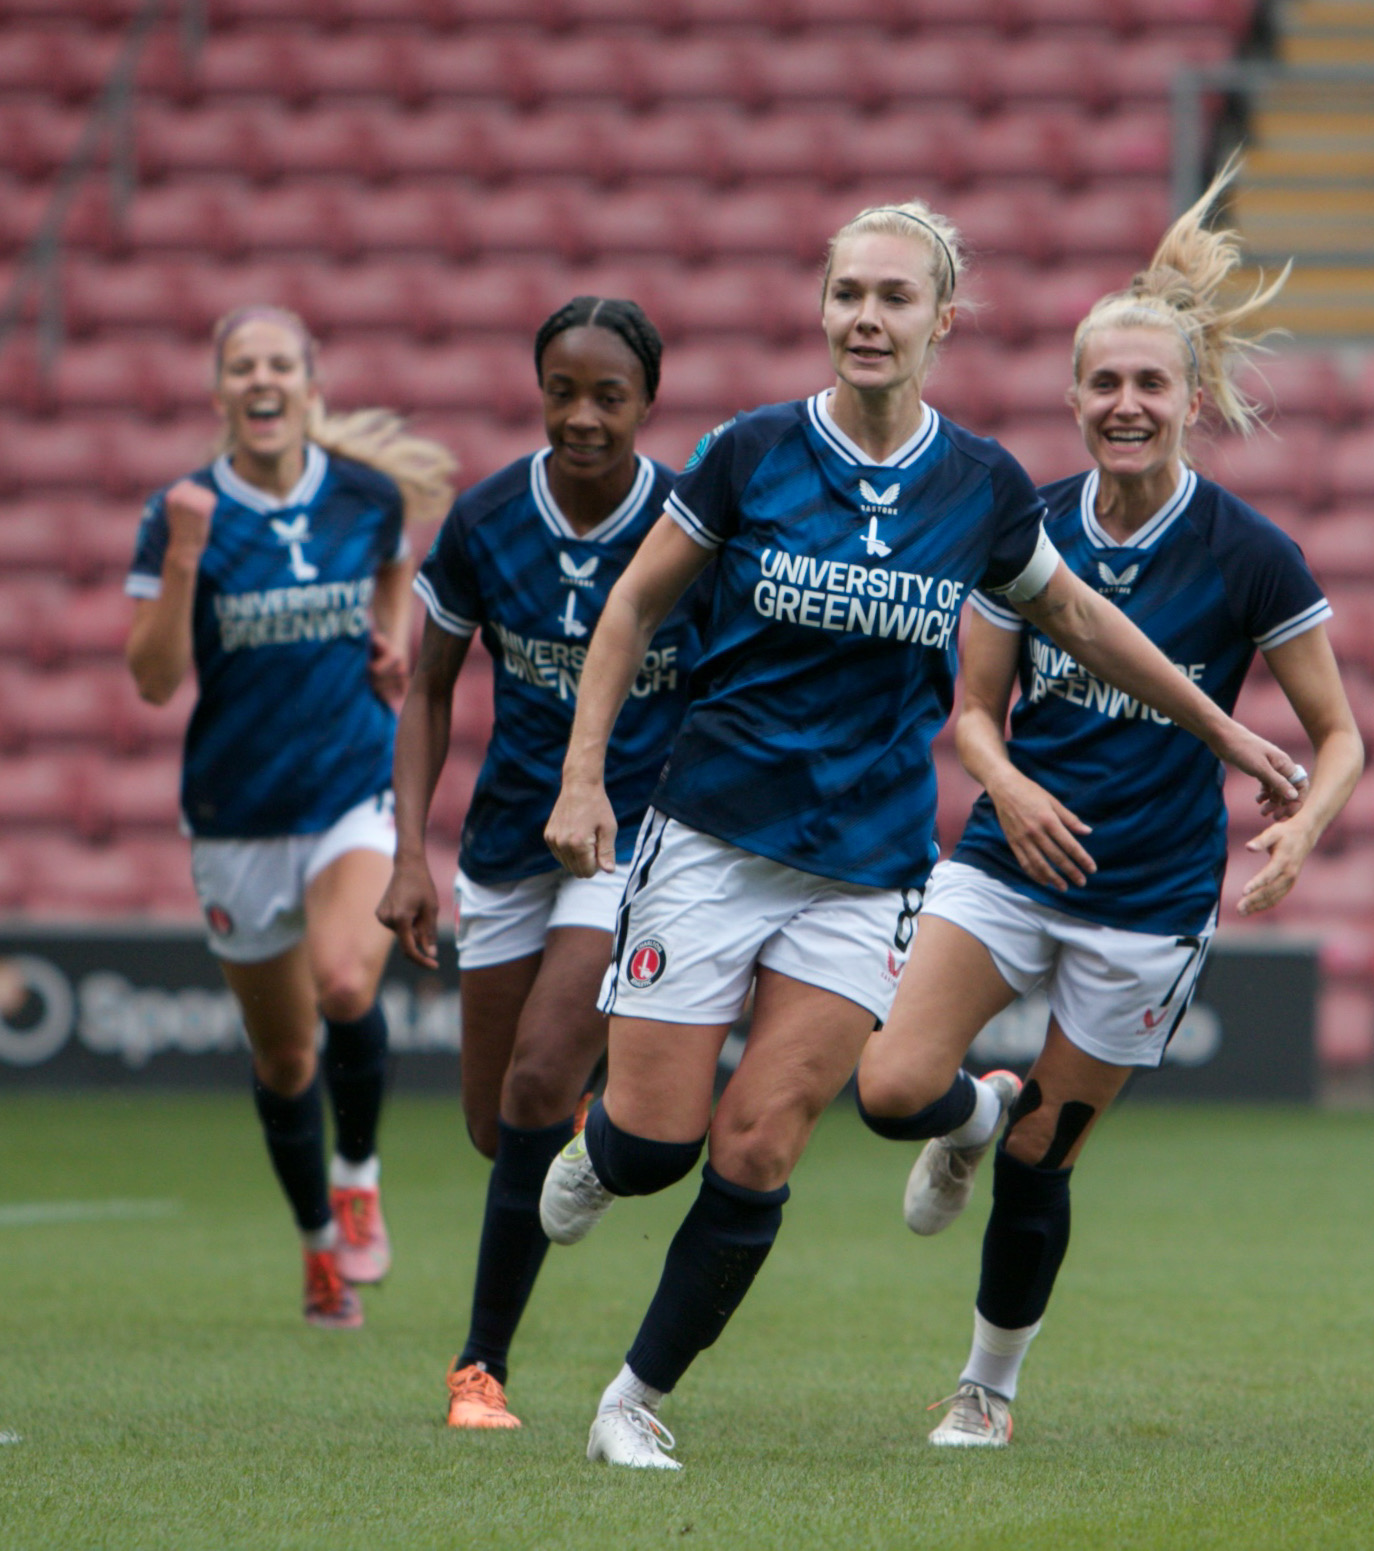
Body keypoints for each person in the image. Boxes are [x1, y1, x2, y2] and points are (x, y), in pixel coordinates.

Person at [532, 198, 1301, 1469]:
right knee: (658, 1143)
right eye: (848, 295)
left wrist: (1226, 736)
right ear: (823, 309)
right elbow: (628, 609)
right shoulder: (752, 452)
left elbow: (1090, 628)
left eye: (894, 298)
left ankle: (631, 1399)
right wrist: (582, 777)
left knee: (762, 1138)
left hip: (866, 868)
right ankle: (605, 1144)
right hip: (713, 837)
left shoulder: (983, 488)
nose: (866, 319)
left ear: (943, 321)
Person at [852, 161, 1364, 1449]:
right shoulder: (1022, 525)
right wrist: (1009, 784)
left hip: (1148, 902)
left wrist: (1300, 825)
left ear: (1190, 400)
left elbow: (1337, 735)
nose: (1125, 405)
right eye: (1103, 385)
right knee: (891, 1086)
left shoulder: (1249, 552)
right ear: (1072, 398)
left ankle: (988, 1387)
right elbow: (969, 711)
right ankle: (972, 1116)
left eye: (1149, 385)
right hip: (1007, 867)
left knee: (1046, 1164)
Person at [376, 297, 699, 1428]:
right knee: (496, 1127)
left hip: (634, 840)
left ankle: (479, 1369)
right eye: (562, 390)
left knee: (534, 1082)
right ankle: (610, 1126)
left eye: (608, 396)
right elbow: (424, 691)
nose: (581, 416)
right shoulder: (486, 520)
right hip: (508, 841)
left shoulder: (692, 527)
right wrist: (407, 854)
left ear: (647, 404)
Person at [124, 305, 456, 1328]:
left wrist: (391, 641)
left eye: (279, 364)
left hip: (348, 789)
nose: (261, 381)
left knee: (348, 978)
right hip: (236, 816)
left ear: (309, 387)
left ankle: (357, 1174)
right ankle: (318, 1246)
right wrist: (183, 557)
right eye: (241, 366)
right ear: (221, 392)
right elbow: (152, 679)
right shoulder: (179, 513)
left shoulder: (362, 495)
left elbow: (396, 566)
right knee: (284, 1059)